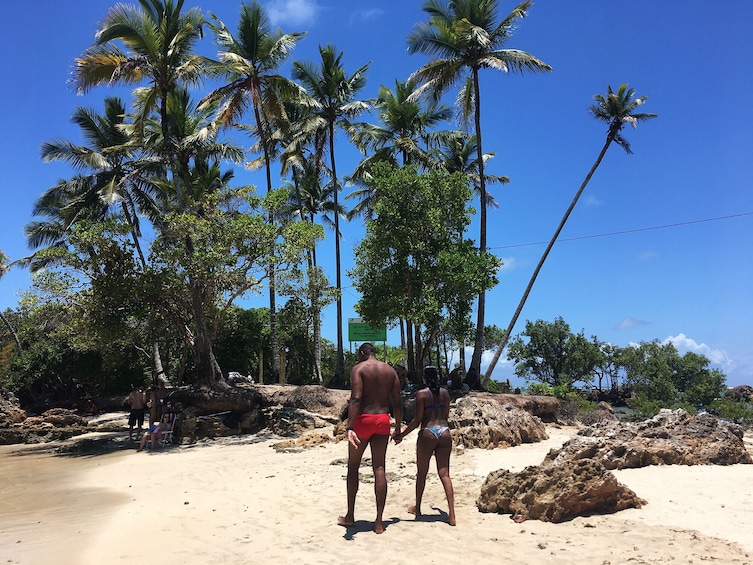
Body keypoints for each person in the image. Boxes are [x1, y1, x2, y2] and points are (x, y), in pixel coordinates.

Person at [338, 342, 403, 534]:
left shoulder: (358, 369)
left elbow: (356, 398)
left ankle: (350, 516)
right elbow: (397, 403)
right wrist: (398, 427)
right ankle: (379, 522)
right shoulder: (390, 371)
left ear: (361, 353)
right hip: (383, 419)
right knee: (379, 468)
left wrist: (350, 426)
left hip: (363, 419)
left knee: (353, 466)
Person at [394, 366, 456, 526]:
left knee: (422, 473)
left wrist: (401, 435)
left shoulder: (421, 394)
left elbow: (417, 421)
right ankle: (452, 515)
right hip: (444, 431)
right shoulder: (445, 393)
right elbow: (446, 415)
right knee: (445, 474)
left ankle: (418, 508)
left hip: (428, 431)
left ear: (424, 377)